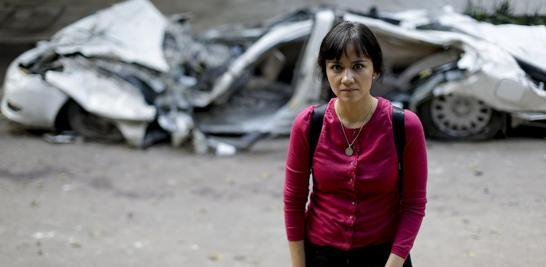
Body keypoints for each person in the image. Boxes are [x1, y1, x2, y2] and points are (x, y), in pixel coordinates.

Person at [283, 21, 427, 267]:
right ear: (325, 71)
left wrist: (393, 264)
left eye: (358, 66)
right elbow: (294, 200)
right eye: (336, 67)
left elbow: (414, 204)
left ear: (375, 70)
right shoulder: (308, 125)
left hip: (385, 257)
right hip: (321, 255)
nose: (346, 78)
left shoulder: (404, 126)